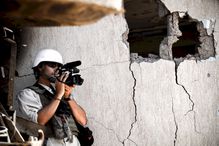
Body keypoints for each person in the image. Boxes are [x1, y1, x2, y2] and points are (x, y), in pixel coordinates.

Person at [15, 49, 87, 146]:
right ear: (40, 67)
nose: (56, 70)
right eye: (52, 65)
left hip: (73, 142)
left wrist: (68, 97)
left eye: (59, 67)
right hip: (50, 142)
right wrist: (58, 95)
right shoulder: (28, 93)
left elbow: (83, 121)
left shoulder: (61, 91)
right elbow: (40, 121)